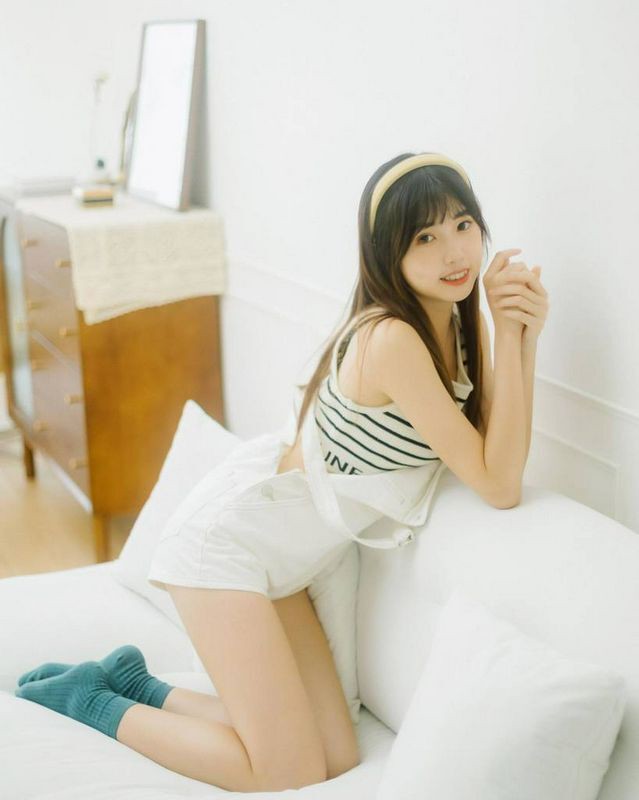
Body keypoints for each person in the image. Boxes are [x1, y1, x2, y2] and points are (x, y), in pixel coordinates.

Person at [13, 152, 549, 791]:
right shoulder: (393, 339)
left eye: (463, 225)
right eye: (424, 238)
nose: (454, 251)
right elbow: (500, 484)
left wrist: (517, 333)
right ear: (387, 254)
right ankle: (92, 700)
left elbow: (494, 450)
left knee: (336, 758)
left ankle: (138, 685)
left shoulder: (455, 325)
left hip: (286, 566)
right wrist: (509, 332)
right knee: (285, 770)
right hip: (226, 554)